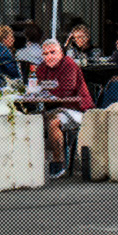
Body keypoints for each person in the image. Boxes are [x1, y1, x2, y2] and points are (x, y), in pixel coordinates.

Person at [35, 39, 93, 179]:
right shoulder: (41, 68)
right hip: (55, 109)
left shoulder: (69, 65)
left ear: (61, 53)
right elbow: (37, 89)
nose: (49, 56)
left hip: (78, 109)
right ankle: (34, 165)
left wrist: (45, 91)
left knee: (54, 122)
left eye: (53, 52)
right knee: (33, 120)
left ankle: (58, 164)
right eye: (45, 53)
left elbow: (66, 92)